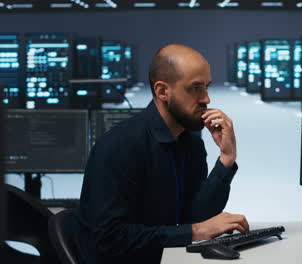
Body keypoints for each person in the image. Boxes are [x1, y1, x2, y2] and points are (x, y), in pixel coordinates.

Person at [74, 44, 249, 264]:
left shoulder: (190, 143)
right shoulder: (119, 146)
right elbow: (109, 239)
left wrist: (226, 158)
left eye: (207, 86)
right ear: (162, 91)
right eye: (195, 88)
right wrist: (194, 232)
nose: (206, 98)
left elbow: (196, 216)